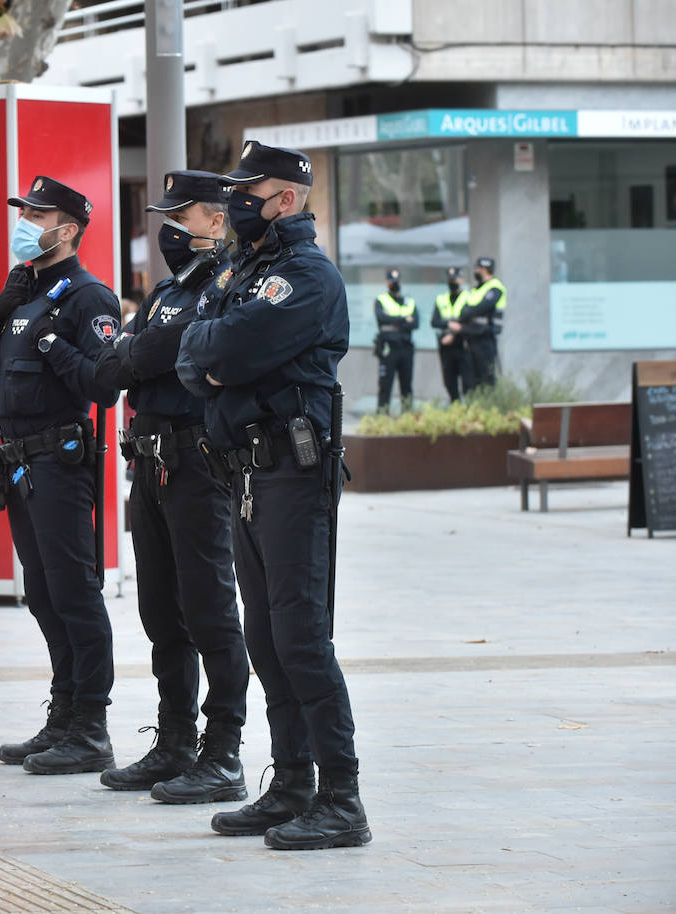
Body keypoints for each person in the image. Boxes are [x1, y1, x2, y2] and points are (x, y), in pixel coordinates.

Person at [176, 141, 370, 850]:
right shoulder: (243, 268)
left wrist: (216, 356)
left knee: (300, 638)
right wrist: (214, 356)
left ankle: (341, 798)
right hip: (246, 475)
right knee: (265, 638)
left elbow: (220, 352)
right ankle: (291, 785)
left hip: (292, 475)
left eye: (247, 190)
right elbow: (195, 353)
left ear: (286, 197)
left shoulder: (305, 277)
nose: (235, 203)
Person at [91, 171, 250, 805]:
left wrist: (138, 349)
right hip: (149, 464)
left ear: (217, 221)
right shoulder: (166, 289)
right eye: (169, 215)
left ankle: (224, 752)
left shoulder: (227, 283)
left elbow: (164, 353)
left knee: (209, 608)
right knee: (161, 611)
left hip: (199, 463)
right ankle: (176, 741)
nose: (171, 227)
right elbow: (117, 364)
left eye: (184, 215)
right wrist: (139, 348)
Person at [0, 175, 122, 775]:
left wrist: (57, 344)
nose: (27, 222)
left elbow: (102, 386)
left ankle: (91, 724)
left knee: (74, 591)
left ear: (70, 228)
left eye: (38, 214)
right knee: (41, 592)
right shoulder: (24, 295)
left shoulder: (89, 298)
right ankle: (63, 713)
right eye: (25, 211)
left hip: (59, 462)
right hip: (17, 461)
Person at [452, 256, 506, 388]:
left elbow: (480, 308)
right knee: (472, 381)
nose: (476, 271)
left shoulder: (495, 288)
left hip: (486, 339)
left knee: (487, 379)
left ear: (485, 269)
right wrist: (469, 312)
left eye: (478, 268)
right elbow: (464, 311)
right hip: (471, 339)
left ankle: (488, 407)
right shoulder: (475, 290)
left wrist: (469, 312)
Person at [373, 268, 416, 412]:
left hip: (406, 348)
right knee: (385, 386)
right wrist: (404, 319)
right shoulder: (381, 300)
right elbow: (381, 318)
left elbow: (415, 323)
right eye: (392, 282)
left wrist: (392, 320)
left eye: (397, 281)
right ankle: (382, 417)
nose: (395, 284)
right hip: (388, 349)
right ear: (387, 283)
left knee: (407, 387)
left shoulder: (409, 301)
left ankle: (408, 418)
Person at [431, 266, 471, 402]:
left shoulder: (469, 297)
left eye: (455, 279)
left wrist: (453, 335)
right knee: (449, 382)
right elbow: (434, 321)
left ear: (461, 279)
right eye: (450, 279)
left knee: (468, 383)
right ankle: (455, 407)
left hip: (463, 345)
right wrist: (448, 324)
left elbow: (468, 322)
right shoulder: (441, 299)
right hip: (446, 348)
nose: (452, 282)